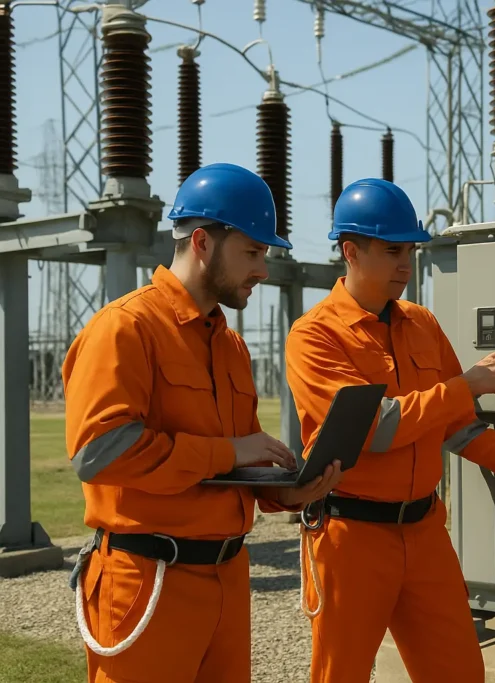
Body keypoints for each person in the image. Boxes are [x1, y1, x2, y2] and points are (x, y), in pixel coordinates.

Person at [284, 177, 495, 683]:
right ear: (350, 251)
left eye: (412, 251)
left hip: (424, 533)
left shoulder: (422, 323)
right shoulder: (314, 337)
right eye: (393, 250)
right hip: (352, 538)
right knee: (342, 675)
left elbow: (459, 429)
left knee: (460, 674)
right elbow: (375, 430)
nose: (407, 263)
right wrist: (466, 385)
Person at [62, 162, 343, 683]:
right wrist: (232, 451)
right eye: (253, 252)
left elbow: (235, 467)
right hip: (149, 580)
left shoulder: (231, 346)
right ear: (202, 243)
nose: (263, 268)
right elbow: (98, 452)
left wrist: (289, 491)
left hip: (229, 580)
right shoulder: (125, 328)